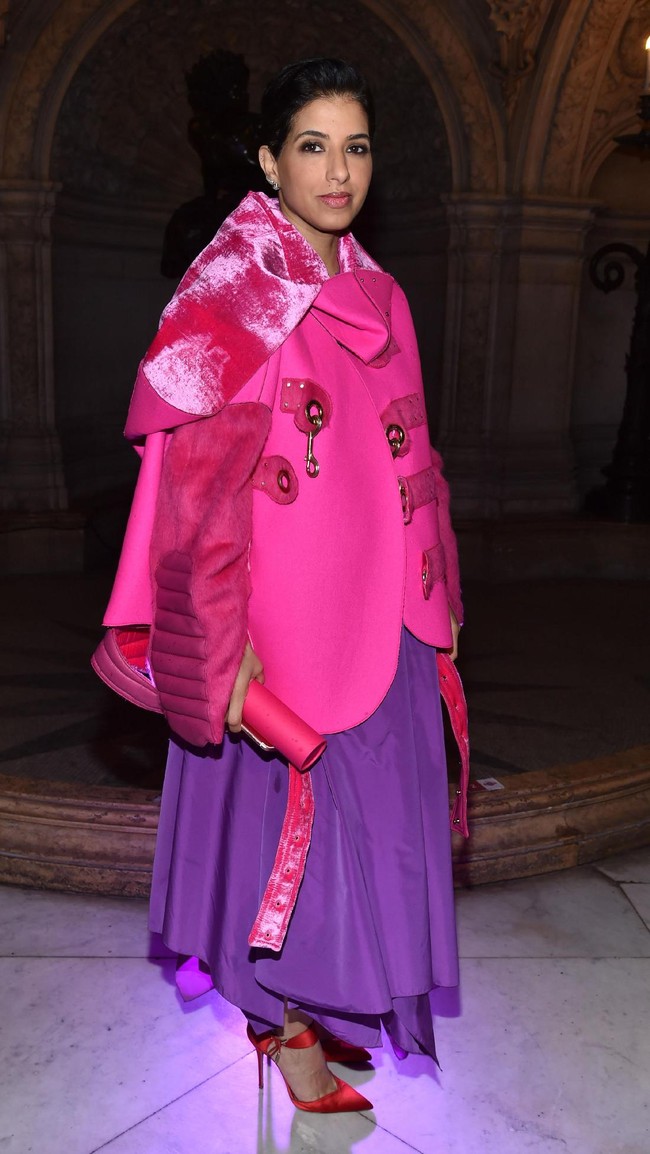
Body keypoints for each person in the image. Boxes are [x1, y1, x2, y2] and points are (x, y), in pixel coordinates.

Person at [98, 57, 464, 1115]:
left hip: (383, 608)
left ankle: (326, 999)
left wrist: (433, 608)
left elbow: (411, 462)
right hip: (277, 622)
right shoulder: (229, 292)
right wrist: (221, 641)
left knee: (374, 830)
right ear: (267, 159)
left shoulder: (381, 290)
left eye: (354, 146)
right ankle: (285, 1027)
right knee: (271, 838)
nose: (336, 169)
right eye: (312, 145)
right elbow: (184, 486)